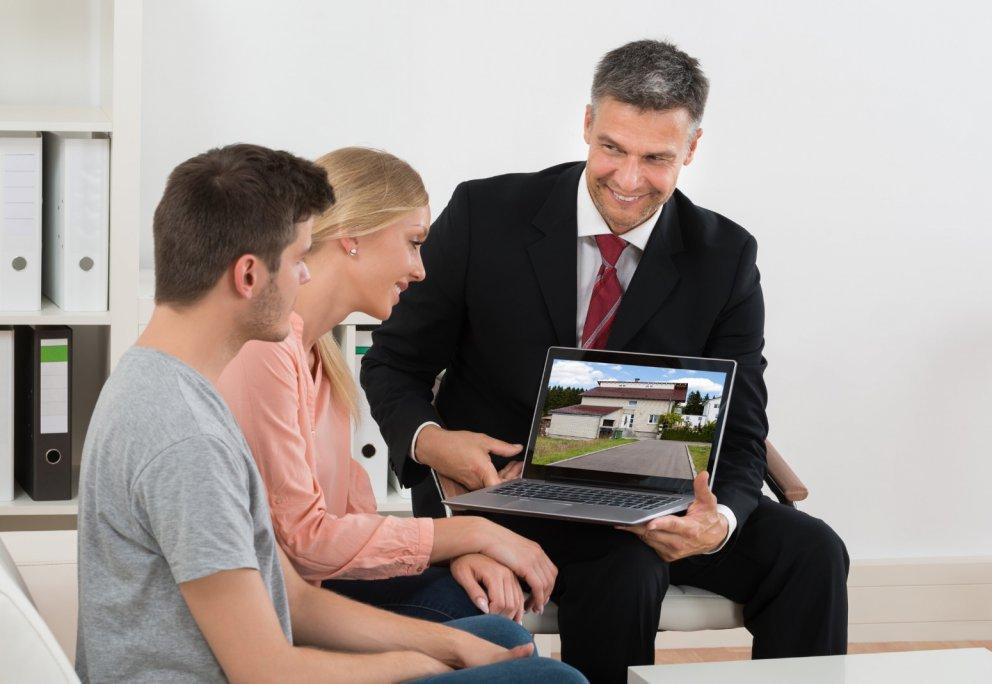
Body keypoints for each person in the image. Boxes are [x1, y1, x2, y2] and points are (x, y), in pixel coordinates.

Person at [361, 40, 850, 682]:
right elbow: (393, 363)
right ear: (587, 123)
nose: (628, 179)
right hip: (502, 494)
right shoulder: (485, 215)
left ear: (691, 150)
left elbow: (743, 427)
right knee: (625, 569)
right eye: (613, 148)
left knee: (813, 550)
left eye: (656, 158)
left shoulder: (725, 256)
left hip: (654, 499)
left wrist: (720, 521)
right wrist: (431, 443)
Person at [75, 143, 584, 683]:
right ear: (249, 276)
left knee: (503, 646)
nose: (306, 278)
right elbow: (267, 670)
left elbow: (294, 596)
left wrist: (452, 645)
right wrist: (422, 661)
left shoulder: (174, 389)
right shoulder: (188, 439)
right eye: (299, 260)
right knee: (554, 680)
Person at [217, 147, 556, 624]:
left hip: (317, 590)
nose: (421, 270)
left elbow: (349, 520)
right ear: (352, 237)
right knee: (491, 632)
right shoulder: (265, 350)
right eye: (414, 243)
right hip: (276, 610)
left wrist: (452, 554)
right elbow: (304, 541)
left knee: (485, 613)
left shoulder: (321, 358)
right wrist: (474, 534)